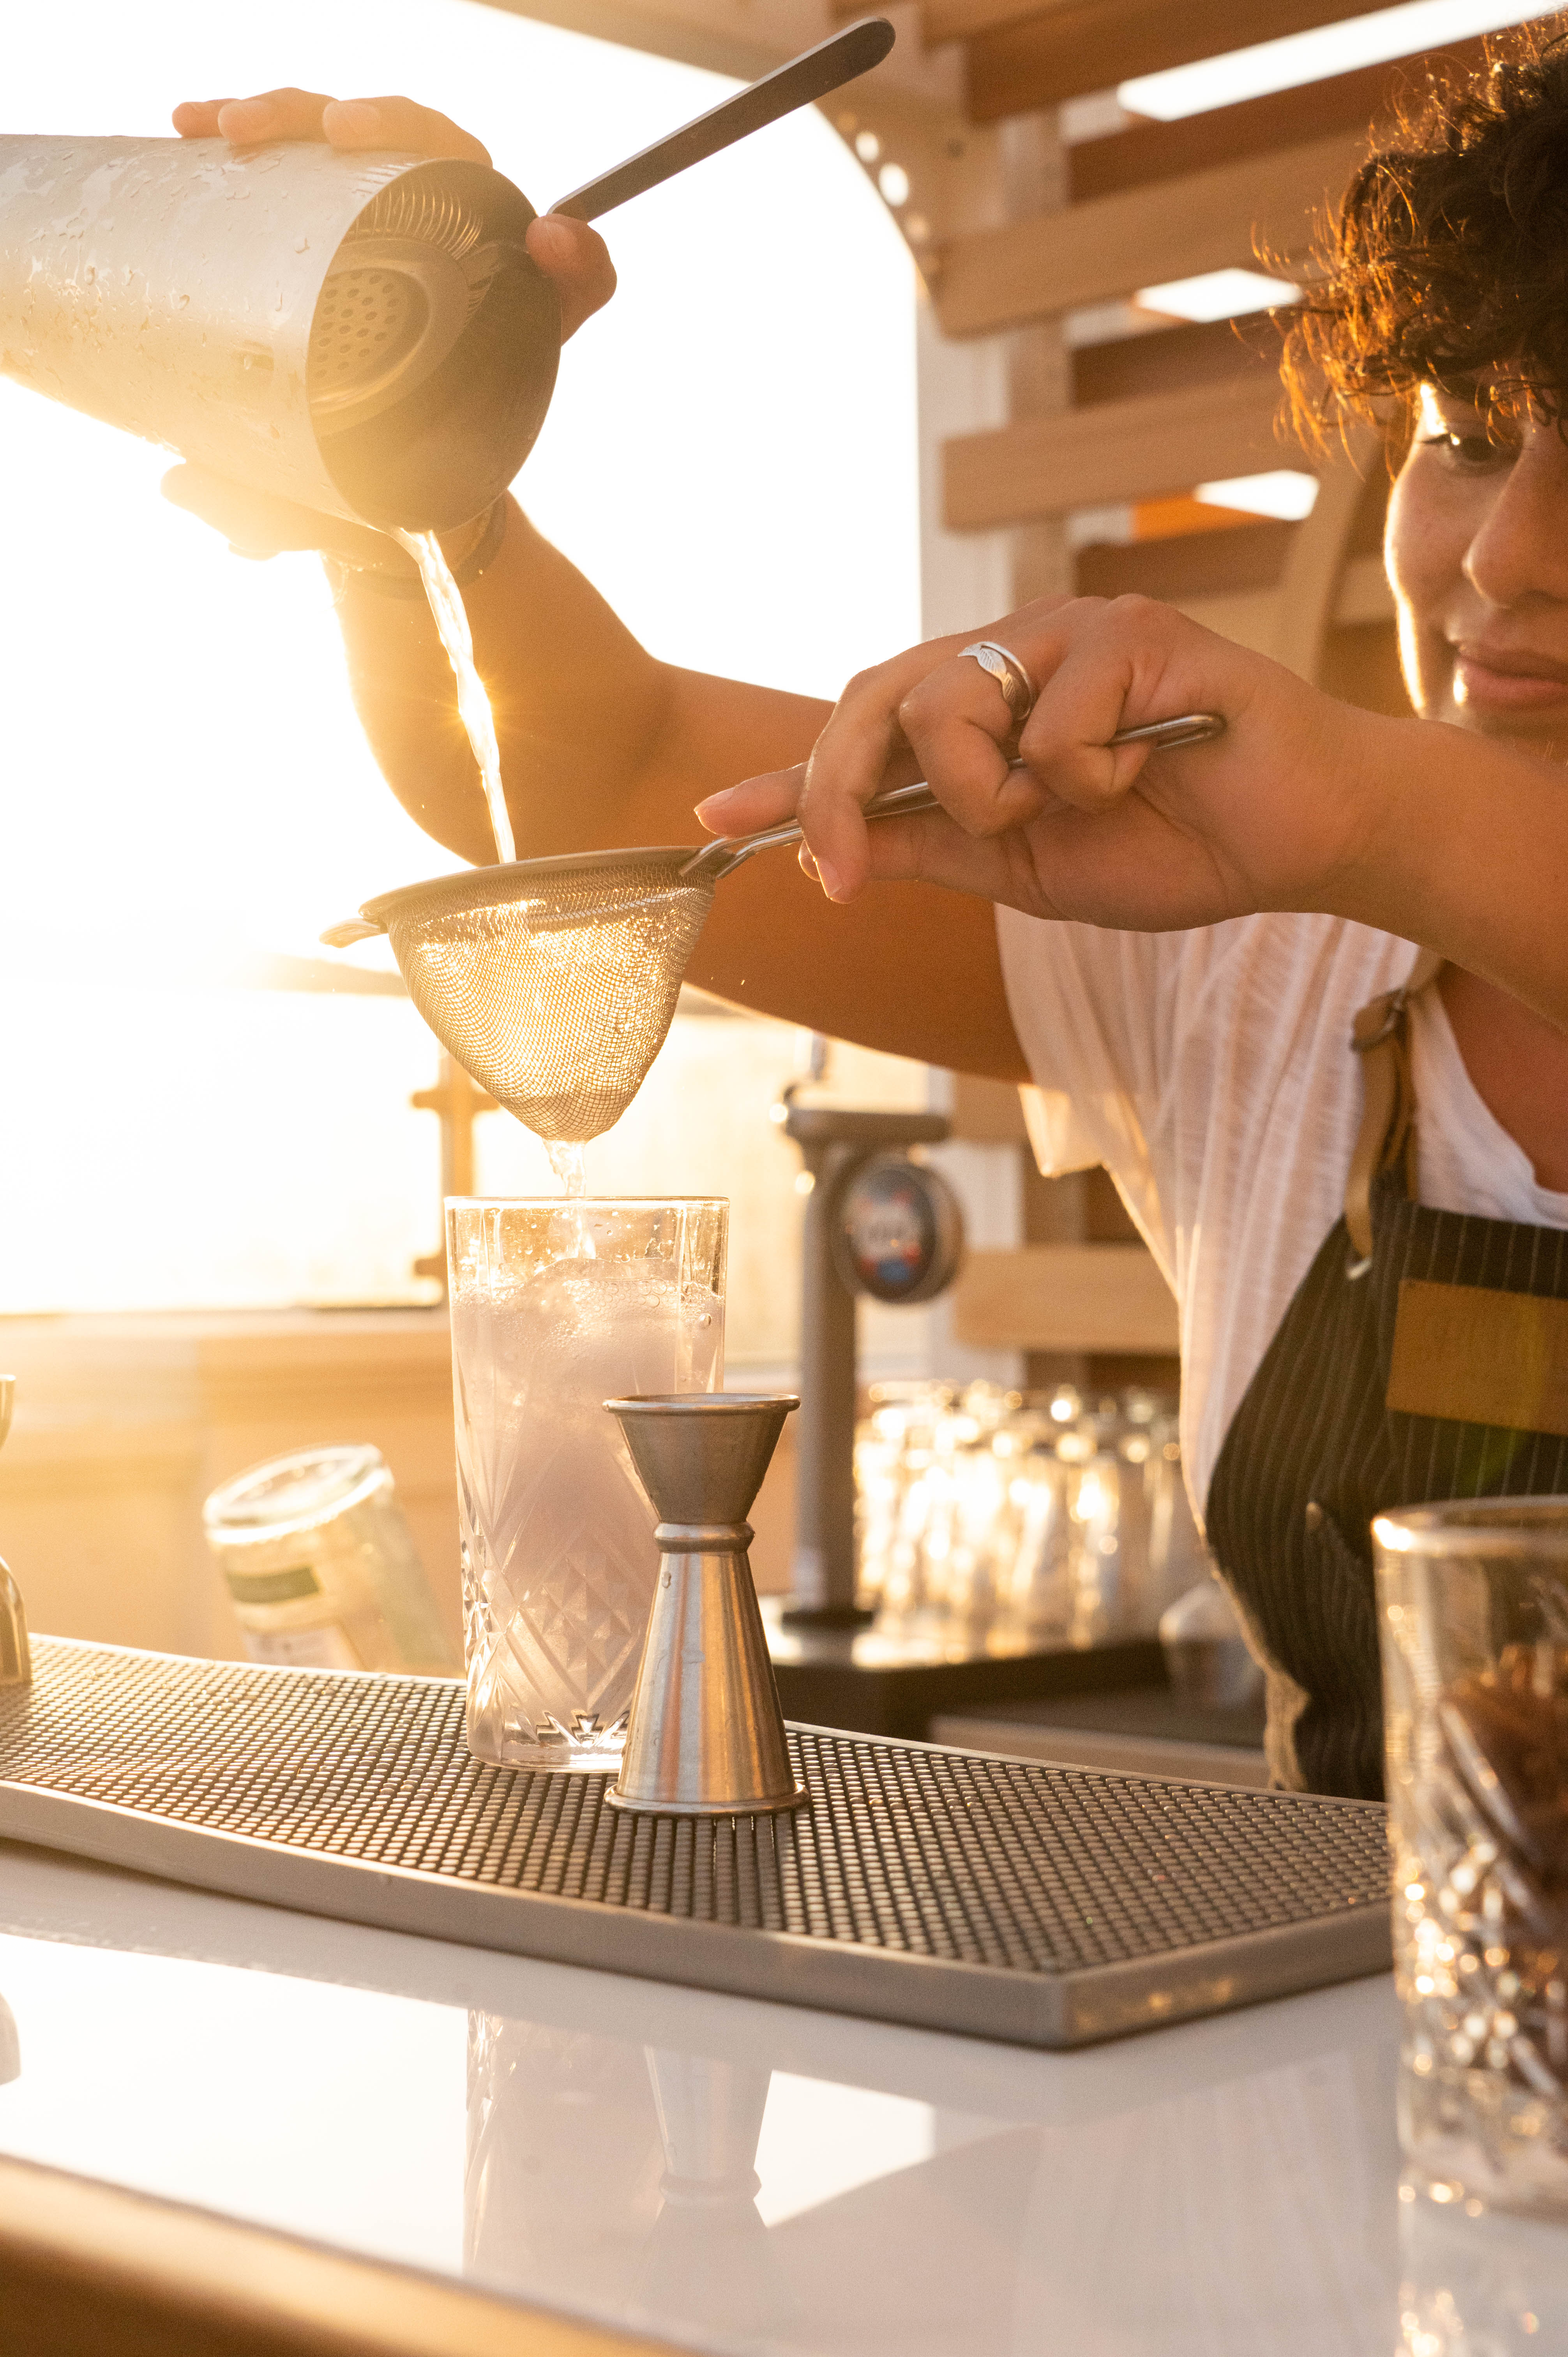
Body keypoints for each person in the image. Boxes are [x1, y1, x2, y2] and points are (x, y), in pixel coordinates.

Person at [170, 32, 1568, 1798]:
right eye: (1470, 434)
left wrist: (1362, 803)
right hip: (1373, 2063)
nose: (1508, 555)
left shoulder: (1300, 841)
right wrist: (411, 466)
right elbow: (601, 784)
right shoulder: (1256, 956)